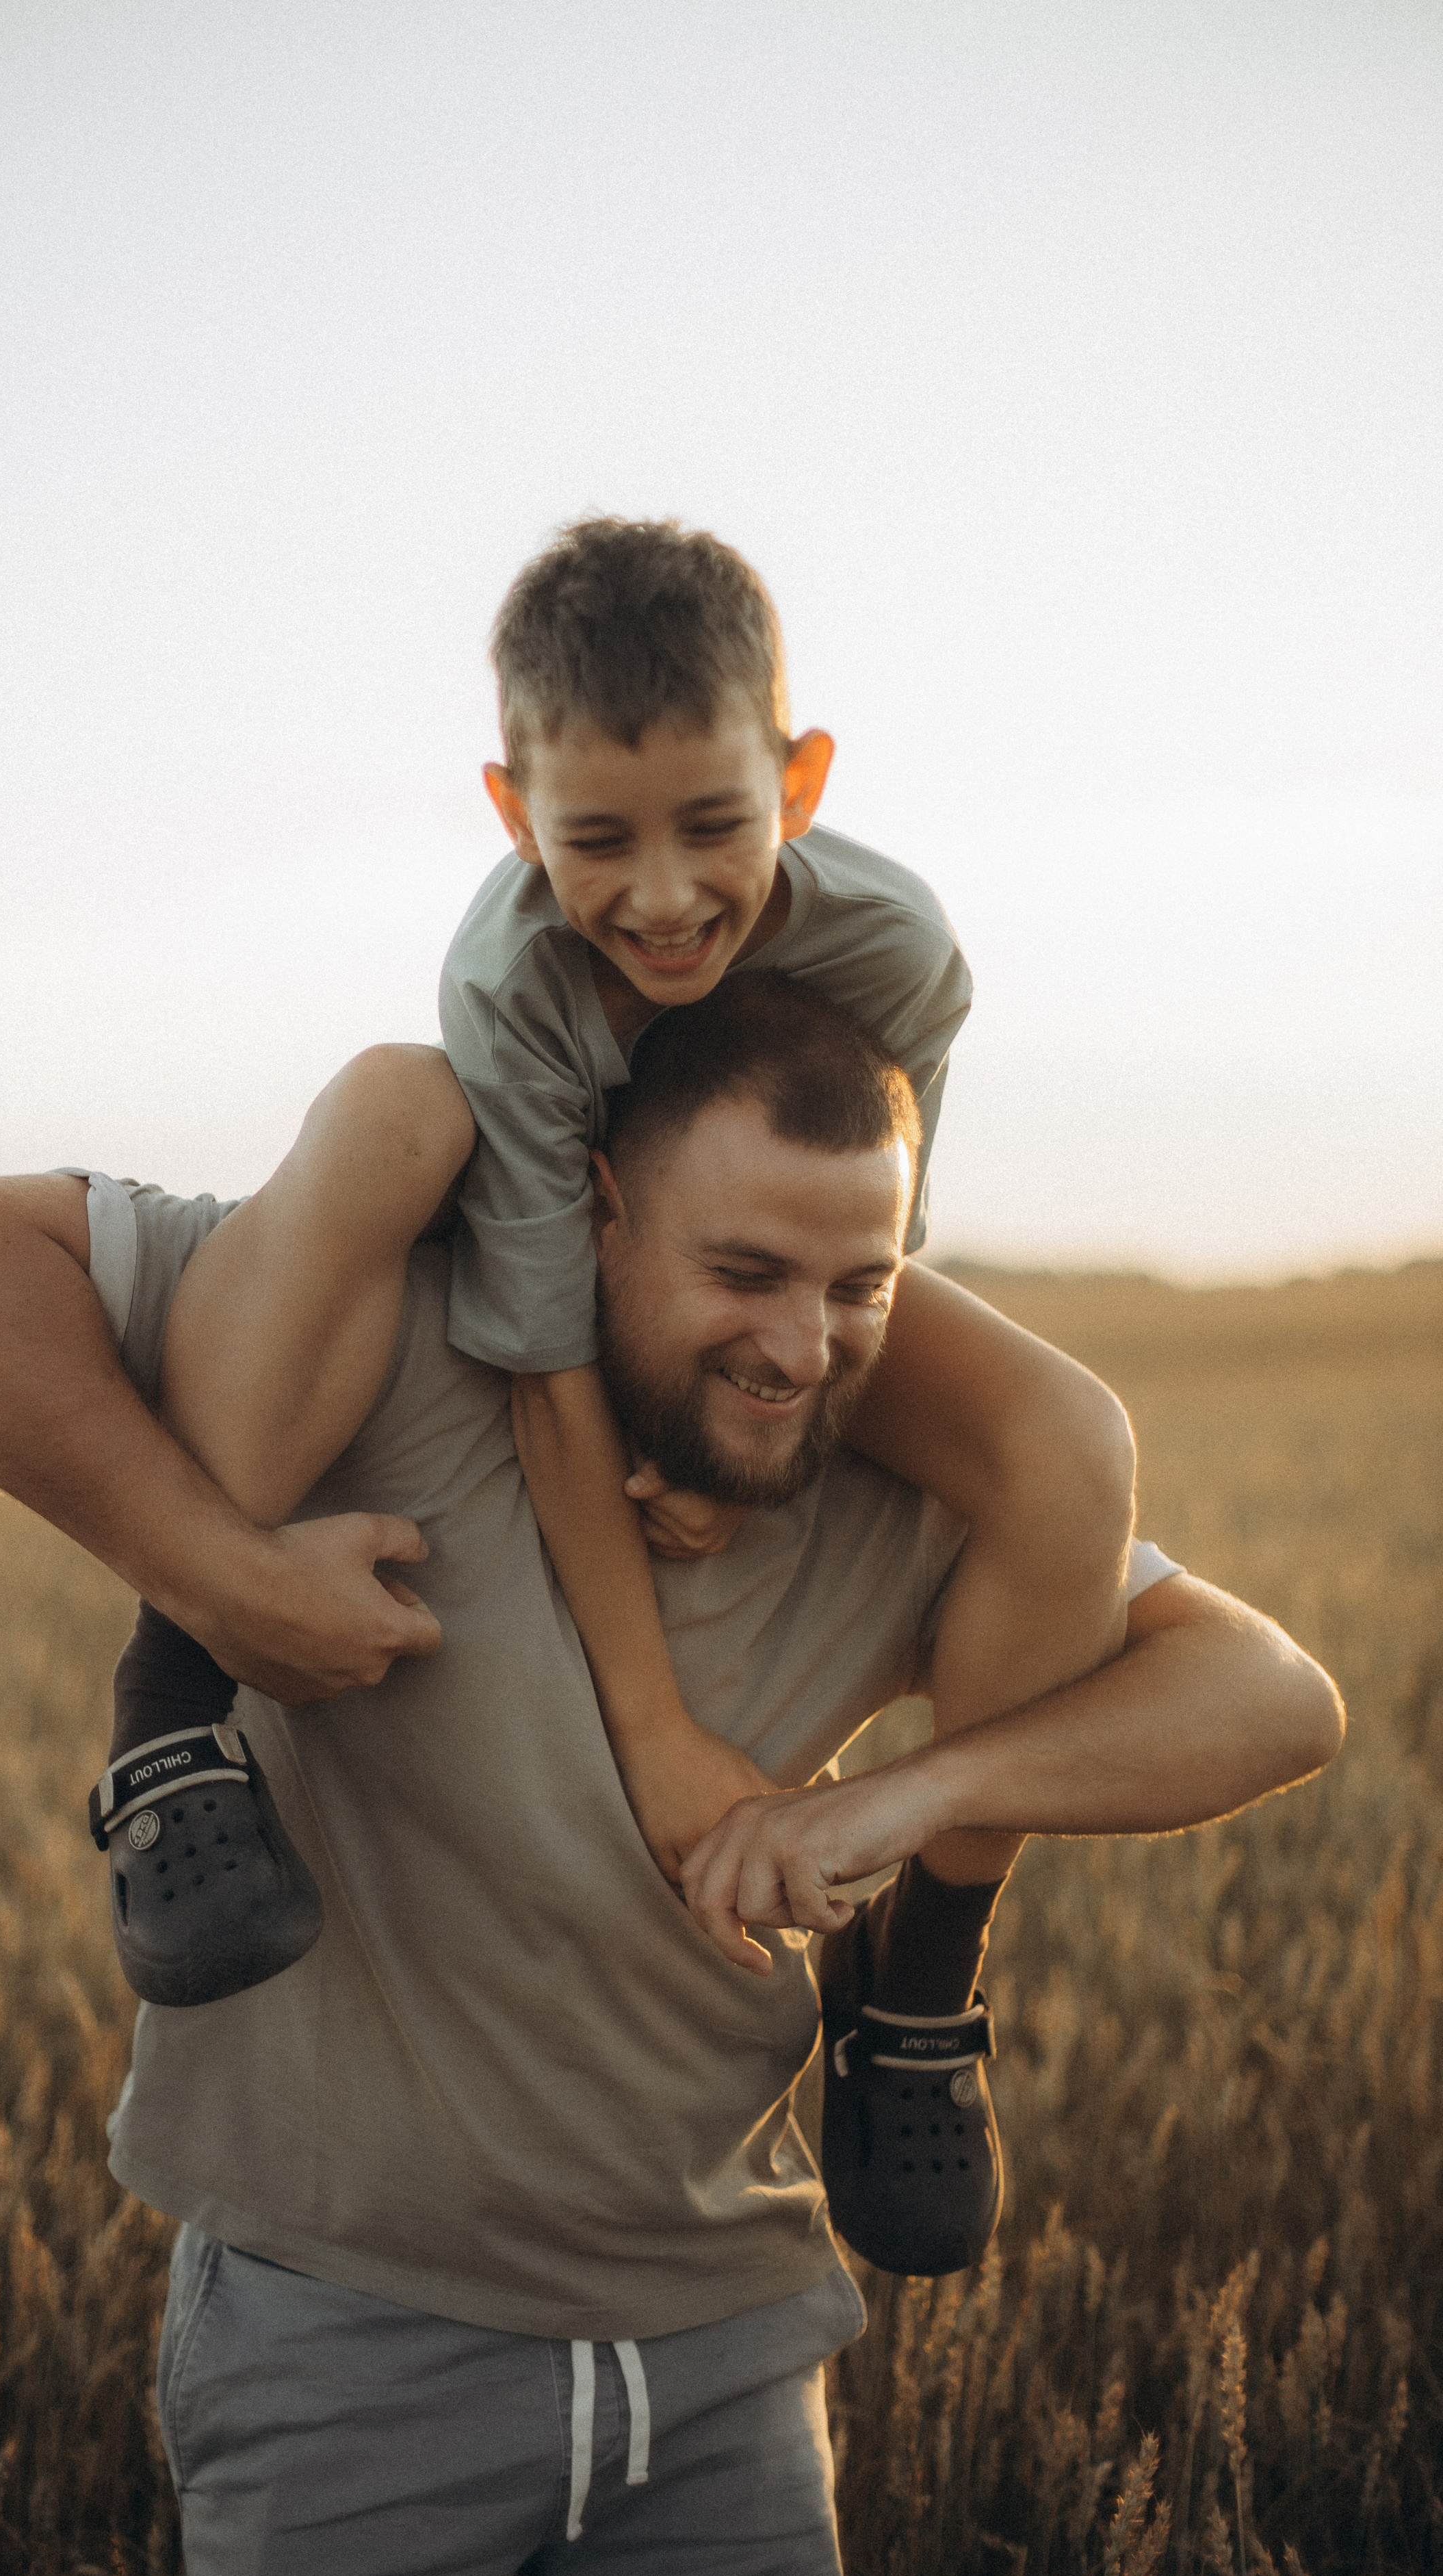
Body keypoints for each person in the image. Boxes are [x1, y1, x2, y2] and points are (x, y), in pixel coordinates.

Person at [0, 975, 1344, 2576]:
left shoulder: (886, 1491)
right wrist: (219, 1584)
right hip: (343, 2343)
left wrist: (911, 1799)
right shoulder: (366, 1337)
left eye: (858, 1285)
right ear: (596, 1212)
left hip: (729, 2350)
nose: (796, 1347)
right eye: (740, 1273)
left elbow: (1272, 1697)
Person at [99, 519, 1138, 2280]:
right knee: (387, 1120)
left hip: (762, 1269)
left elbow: (871, 1246)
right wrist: (651, 1725)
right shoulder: (505, 989)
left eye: (713, 826)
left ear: (797, 780)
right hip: (590, 1273)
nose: (660, 896)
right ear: (512, 816)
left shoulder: (901, 959)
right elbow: (544, 1351)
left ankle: (922, 1989)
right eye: (595, 841)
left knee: (1069, 1441)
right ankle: (164, 1695)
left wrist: (759, 1451)